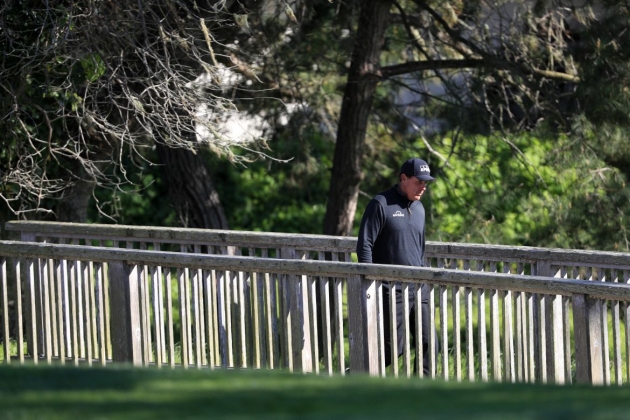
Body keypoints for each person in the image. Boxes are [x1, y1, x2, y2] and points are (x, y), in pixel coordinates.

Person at [356, 157, 438, 375]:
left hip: (419, 287)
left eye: (425, 183)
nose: (423, 187)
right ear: (404, 178)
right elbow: (364, 245)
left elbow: (419, 248)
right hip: (390, 290)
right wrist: (370, 284)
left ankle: (424, 392)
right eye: (418, 181)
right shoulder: (381, 204)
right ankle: (357, 374)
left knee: (429, 343)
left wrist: (424, 281)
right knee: (394, 348)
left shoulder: (419, 208)